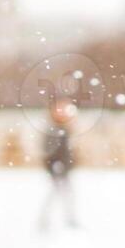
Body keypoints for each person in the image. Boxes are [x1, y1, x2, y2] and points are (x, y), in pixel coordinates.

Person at [37, 97, 80, 231]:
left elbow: (69, 150)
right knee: (57, 194)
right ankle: (47, 220)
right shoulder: (52, 130)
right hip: (57, 168)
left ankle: (65, 219)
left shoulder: (64, 129)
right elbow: (49, 150)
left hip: (63, 168)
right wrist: (55, 165)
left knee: (63, 194)